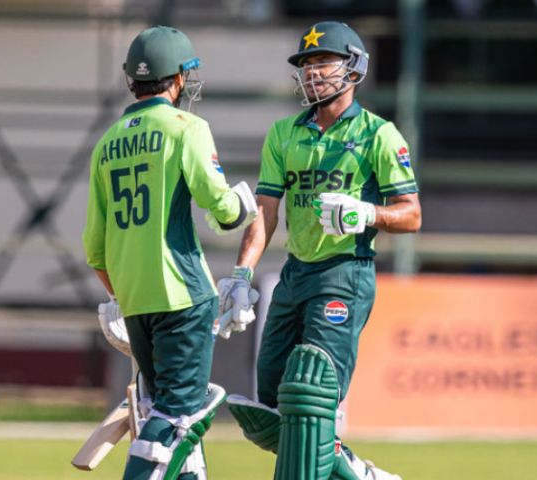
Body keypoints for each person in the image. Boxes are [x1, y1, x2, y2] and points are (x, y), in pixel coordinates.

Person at [219, 21, 421, 480]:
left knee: (310, 394)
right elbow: (265, 212)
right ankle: (355, 471)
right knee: (272, 406)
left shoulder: (379, 134)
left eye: (323, 62)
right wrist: (241, 276)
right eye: (307, 64)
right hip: (296, 272)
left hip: (345, 272)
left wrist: (366, 213)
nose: (313, 72)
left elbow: (411, 214)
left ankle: (342, 462)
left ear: (354, 68)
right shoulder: (284, 134)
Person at [82, 25, 258, 480]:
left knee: (166, 419)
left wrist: (122, 295)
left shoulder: (106, 143)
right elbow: (221, 208)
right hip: (184, 296)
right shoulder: (187, 127)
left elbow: (95, 249)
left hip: (135, 303)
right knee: (178, 419)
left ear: (133, 80)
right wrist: (246, 205)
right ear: (178, 79)